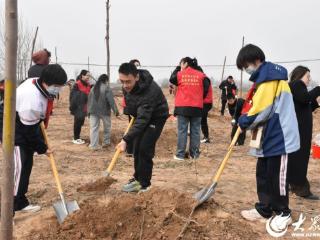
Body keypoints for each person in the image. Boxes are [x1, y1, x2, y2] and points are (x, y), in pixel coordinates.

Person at [236, 44, 300, 230]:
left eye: (245, 65)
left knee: (276, 176)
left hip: (280, 135)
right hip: (268, 135)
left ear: (255, 60)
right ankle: (264, 208)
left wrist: (244, 121)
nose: (246, 70)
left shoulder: (270, 78)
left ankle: (283, 212)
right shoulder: (263, 79)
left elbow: (261, 110)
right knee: (263, 173)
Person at [0, 64, 67, 213]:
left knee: (26, 165)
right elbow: (29, 132)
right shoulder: (32, 102)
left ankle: (20, 202)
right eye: (58, 86)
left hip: (24, 123)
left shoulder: (38, 83)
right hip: (11, 126)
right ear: (47, 82)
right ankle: (7, 210)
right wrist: (43, 148)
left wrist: (41, 145)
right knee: (19, 166)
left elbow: (35, 126)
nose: (59, 90)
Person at [116, 62, 169, 192]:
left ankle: (145, 184)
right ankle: (137, 178)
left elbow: (143, 120)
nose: (125, 85)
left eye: (128, 81)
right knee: (136, 148)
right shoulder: (127, 87)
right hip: (141, 115)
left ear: (137, 77)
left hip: (156, 117)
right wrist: (130, 112)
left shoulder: (150, 91)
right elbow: (131, 101)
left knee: (145, 148)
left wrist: (125, 140)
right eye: (122, 81)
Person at [287, 66, 320, 200]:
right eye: (308, 76)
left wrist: (316, 104)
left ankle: (293, 184)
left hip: (300, 129)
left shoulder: (297, 88)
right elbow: (305, 99)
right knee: (300, 158)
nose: (309, 79)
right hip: (299, 130)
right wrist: (318, 89)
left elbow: (305, 107)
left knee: (297, 158)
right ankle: (301, 189)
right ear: (300, 75)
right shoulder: (296, 84)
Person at [169, 57, 210, 160]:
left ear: (185, 63)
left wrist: (179, 67)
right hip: (197, 107)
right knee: (195, 131)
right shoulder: (201, 75)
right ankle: (194, 155)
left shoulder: (180, 74)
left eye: (181, 63)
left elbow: (172, 79)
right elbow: (207, 86)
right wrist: (200, 98)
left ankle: (180, 155)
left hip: (182, 107)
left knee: (182, 130)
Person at [87, 74, 119, 150]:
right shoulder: (106, 88)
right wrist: (116, 111)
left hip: (93, 111)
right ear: (106, 80)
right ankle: (106, 143)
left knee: (94, 128)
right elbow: (111, 101)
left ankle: (93, 145)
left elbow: (89, 100)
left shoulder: (93, 88)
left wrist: (88, 112)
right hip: (104, 111)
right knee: (107, 128)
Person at [69, 70, 91, 144]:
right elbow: (73, 96)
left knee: (81, 122)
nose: (88, 77)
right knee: (77, 122)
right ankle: (76, 138)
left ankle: (78, 137)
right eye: (87, 75)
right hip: (78, 107)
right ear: (82, 76)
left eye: (89, 75)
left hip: (84, 107)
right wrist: (84, 95)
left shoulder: (88, 85)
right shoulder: (77, 84)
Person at [201, 73, 213, 143]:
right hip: (204, 102)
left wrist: (200, 97)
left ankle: (206, 137)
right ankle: (205, 136)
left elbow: (205, 90)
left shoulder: (205, 79)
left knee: (203, 120)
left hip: (206, 102)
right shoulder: (203, 78)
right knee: (202, 120)